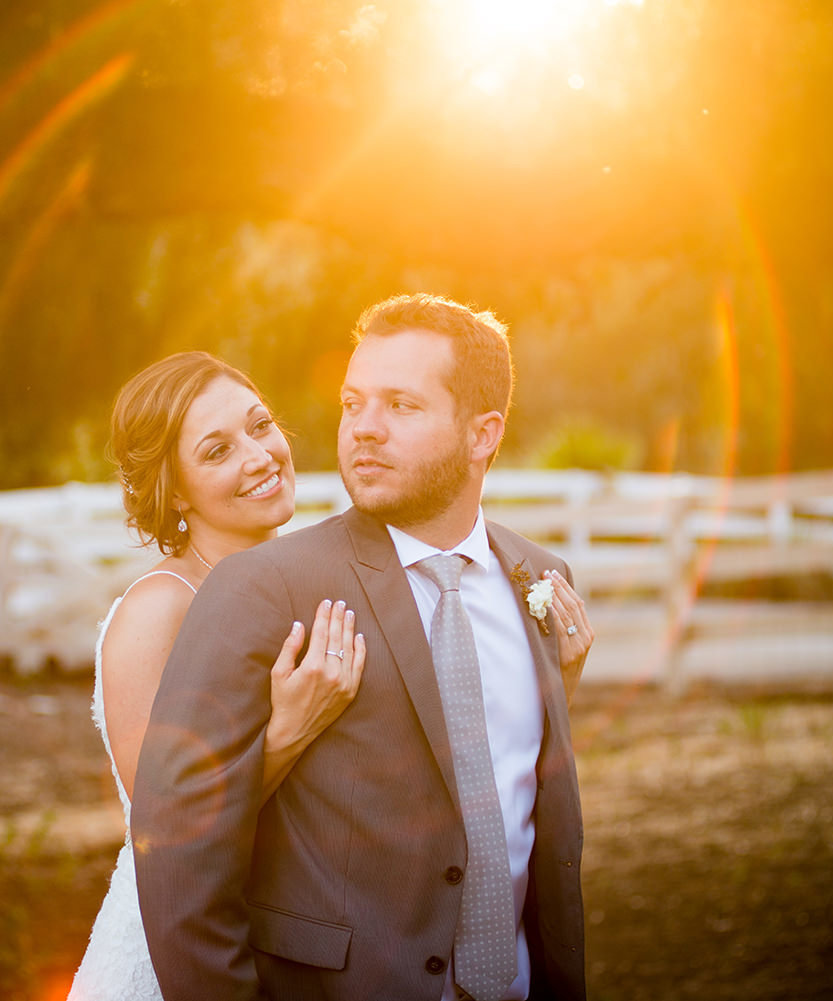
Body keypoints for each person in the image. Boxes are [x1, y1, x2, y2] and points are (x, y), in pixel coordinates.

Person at [132, 293, 594, 1001]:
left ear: (483, 434)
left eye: (401, 406)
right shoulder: (262, 589)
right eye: (353, 403)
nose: (364, 429)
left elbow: (517, 793)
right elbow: (178, 853)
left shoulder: (542, 581)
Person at [67, 351, 368, 1001]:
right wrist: (287, 733)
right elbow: (169, 826)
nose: (260, 456)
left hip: (288, 943)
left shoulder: (304, 583)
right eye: (216, 450)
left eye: (260, 426)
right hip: (176, 958)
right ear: (174, 489)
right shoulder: (159, 609)